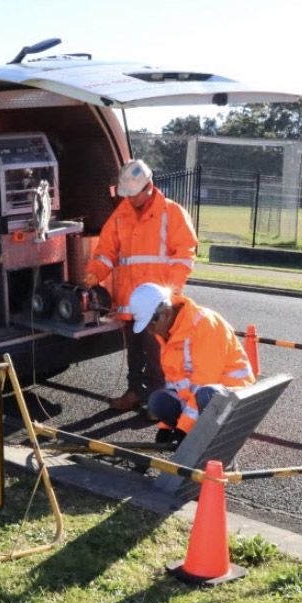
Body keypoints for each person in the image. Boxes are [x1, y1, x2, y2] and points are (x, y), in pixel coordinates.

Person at [82, 159, 198, 412]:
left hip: (158, 303)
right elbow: (106, 252)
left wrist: (172, 292)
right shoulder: (120, 216)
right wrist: (94, 273)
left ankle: (160, 401)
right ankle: (135, 391)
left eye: (135, 194)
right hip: (130, 301)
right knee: (134, 352)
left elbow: (185, 254)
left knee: (157, 355)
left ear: (149, 186)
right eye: (128, 195)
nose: (131, 199)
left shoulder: (171, 213)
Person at [128, 282, 255, 445]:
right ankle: (195, 441)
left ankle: (212, 446)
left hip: (236, 399)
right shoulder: (167, 334)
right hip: (203, 398)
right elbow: (175, 384)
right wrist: (165, 427)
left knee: (207, 395)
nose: (150, 331)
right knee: (158, 400)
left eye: (151, 324)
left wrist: (183, 430)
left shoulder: (205, 325)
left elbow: (203, 384)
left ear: (166, 313)